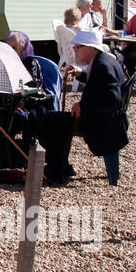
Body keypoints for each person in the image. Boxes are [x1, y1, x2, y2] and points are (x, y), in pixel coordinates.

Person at [43, 30, 129, 186]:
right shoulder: (106, 60)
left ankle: (57, 170)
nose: (75, 51)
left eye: (78, 47)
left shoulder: (102, 65)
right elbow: (100, 84)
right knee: (55, 119)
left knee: (51, 121)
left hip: (102, 123)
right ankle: (62, 167)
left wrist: (83, 105)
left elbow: (111, 97)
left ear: (90, 48)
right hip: (111, 119)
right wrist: (80, 74)